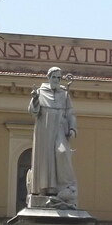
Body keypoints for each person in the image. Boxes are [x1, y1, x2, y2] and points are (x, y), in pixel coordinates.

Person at [27, 66, 78, 207]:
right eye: (54, 77)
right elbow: (33, 112)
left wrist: (72, 128)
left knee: (62, 152)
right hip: (44, 130)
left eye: (58, 77)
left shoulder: (64, 94)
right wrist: (35, 99)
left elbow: (70, 114)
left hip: (60, 128)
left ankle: (66, 186)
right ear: (48, 78)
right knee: (45, 159)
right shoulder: (40, 92)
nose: (56, 80)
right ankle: (48, 189)